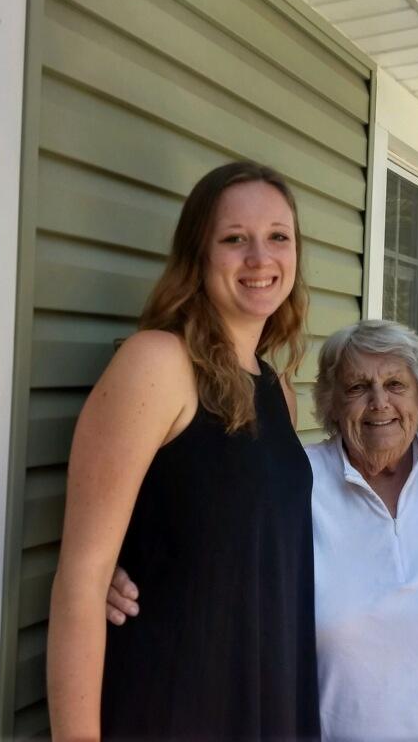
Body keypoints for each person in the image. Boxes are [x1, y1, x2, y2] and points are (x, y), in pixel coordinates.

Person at [109, 319, 418, 741]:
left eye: (395, 385)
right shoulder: (296, 480)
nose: (379, 403)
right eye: (356, 388)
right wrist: (114, 571)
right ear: (331, 403)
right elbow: (211, 553)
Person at [46, 162, 320, 741]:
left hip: (264, 700)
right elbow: (82, 579)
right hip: (172, 703)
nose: (260, 257)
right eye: (233, 239)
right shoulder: (158, 363)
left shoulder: (277, 392)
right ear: (198, 255)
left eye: (278, 236)